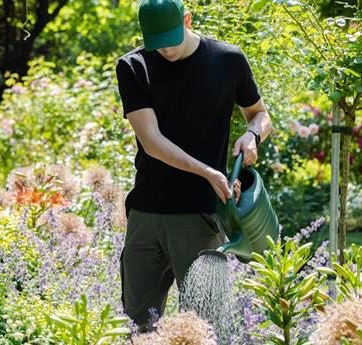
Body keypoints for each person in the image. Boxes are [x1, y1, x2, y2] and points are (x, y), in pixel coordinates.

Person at [114, 0, 273, 331]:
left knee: (204, 327)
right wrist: (207, 172)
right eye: (157, 42)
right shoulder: (133, 66)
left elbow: (259, 114)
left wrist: (252, 136)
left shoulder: (228, 60)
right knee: (136, 328)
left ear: (187, 19)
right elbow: (152, 142)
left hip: (199, 217)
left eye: (172, 39)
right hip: (146, 214)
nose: (166, 50)